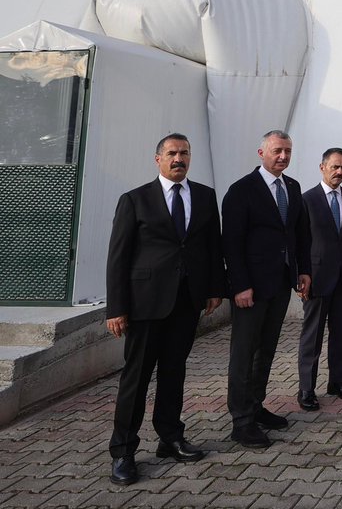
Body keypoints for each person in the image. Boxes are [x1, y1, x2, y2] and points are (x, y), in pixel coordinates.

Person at [104, 133, 224, 486]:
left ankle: (170, 438)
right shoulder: (135, 200)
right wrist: (116, 308)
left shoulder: (204, 196)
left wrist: (215, 289)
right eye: (171, 153)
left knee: (174, 373)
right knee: (136, 379)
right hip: (145, 306)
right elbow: (118, 258)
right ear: (157, 159)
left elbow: (211, 245)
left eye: (184, 153)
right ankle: (123, 451)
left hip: (186, 302)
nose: (178, 159)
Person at [222, 130, 312, 448]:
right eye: (277, 151)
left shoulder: (292, 187)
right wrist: (241, 285)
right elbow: (231, 243)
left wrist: (303, 272)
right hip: (252, 289)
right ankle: (241, 421)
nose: (283, 156)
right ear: (261, 152)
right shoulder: (241, 190)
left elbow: (300, 236)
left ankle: (256, 406)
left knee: (266, 351)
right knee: (244, 353)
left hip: (280, 284)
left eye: (288, 151)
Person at [296, 147, 342, 411]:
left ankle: (337, 382)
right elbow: (300, 241)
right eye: (335, 167)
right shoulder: (307, 200)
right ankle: (306, 388)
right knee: (312, 336)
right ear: (322, 167)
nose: (339, 172)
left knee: (341, 334)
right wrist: (301, 276)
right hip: (316, 278)